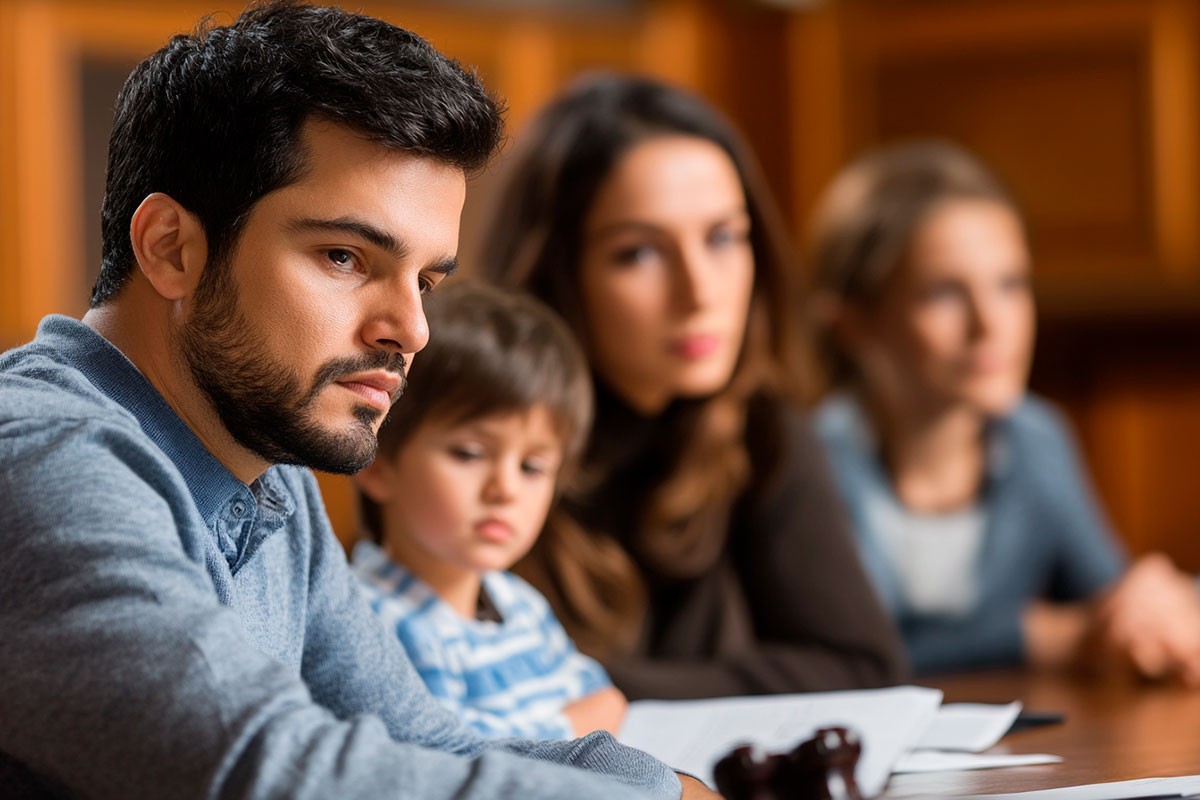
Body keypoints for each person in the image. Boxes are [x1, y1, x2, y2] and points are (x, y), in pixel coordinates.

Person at [0, 5, 718, 798]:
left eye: (427, 281)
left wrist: (660, 784)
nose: (411, 330)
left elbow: (432, 746)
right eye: (345, 256)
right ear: (172, 247)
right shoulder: (41, 456)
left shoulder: (270, 480)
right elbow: (263, 773)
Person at [479, 72, 907, 700]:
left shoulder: (763, 430)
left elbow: (861, 669)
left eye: (723, 238)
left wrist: (593, 689)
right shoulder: (465, 438)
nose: (701, 292)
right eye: (640, 253)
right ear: (555, 274)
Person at [806, 139, 1200, 681]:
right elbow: (834, 657)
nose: (992, 325)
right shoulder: (808, 463)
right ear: (854, 324)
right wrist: (1032, 634)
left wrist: (1150, 608)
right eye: (944, 293)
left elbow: (1104, 605)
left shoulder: (1036, 439)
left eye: (1010, 285)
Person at [352, 280, 627, 739]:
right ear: (378, 465)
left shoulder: (519, 604)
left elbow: (596, 693)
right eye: (469, 454)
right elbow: (446, 757)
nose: (506, 490)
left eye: (533, 466)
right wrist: (569, 725)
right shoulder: (371, 618)